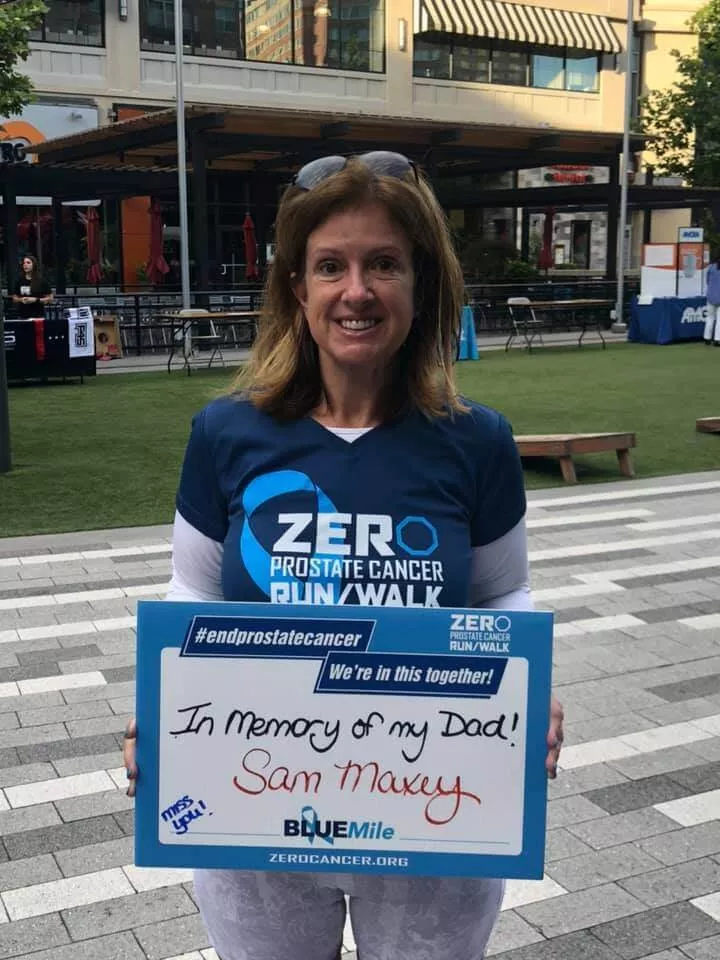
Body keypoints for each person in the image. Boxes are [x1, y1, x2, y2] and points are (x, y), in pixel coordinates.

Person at [123, 151, 564, 960]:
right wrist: (161, 708)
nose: (356, 291)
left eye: (384, 264)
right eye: (331, 266)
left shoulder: (478, 442)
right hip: (257, 813)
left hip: (432, 810)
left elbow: (506, 597)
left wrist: (529, 693)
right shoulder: (225, 433)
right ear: (297, 286)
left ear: (421, 282)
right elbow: (193, 593)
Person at [11, 255, 53, 319]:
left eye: (28, 263)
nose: (25, 265)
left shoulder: (41, 281)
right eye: (24, 263)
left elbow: (50, 299)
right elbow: (14, 298)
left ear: (34, 265)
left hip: (37, 316)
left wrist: (35, 300)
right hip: (22, 316)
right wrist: (21, 299)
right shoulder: (19, 280)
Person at [705, 254, 720, 345]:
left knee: (710, 317)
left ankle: (707, 338)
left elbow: (707, 281)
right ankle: (718, 339)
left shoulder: (710, 267)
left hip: (710, 296)